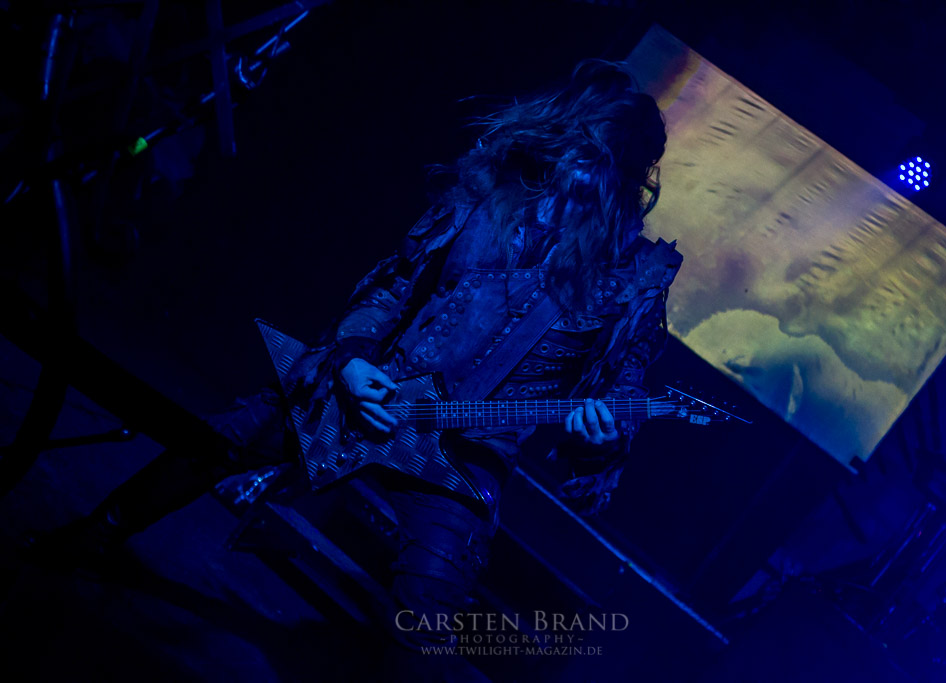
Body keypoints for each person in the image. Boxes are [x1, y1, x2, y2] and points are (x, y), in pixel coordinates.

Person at [41, 59, 681, 650]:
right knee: (218, 440)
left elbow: (619, 403)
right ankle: (95, 533)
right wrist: (350, 360)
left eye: (597, 167)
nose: (576, 176)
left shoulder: (632, 282)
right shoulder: (489, 194)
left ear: (625, 183)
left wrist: (599, 439)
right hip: (376, 390)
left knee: (426, 617)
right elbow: (392, 286)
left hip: (465, 454)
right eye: (575, 153)